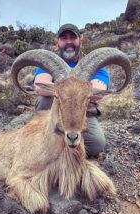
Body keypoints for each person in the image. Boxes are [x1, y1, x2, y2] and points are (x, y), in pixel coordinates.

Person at [33, 23, 109, 157]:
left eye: (73, 38)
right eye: (64, 38)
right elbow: (39, 86)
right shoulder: (50, 62)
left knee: (96, 144)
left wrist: (64, 89)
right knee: (44, 98)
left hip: (83, 114)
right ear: (58, 43)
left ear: (80, 42)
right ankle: (45, 141)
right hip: (54, 115)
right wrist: (71, 92)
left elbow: (98, 91)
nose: (68, 42)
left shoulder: (94, 63)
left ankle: (62, 149)